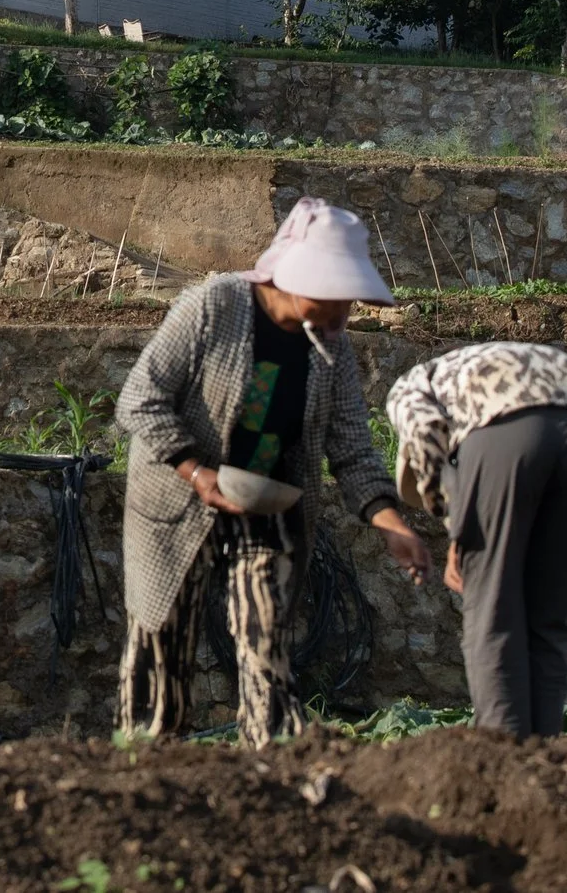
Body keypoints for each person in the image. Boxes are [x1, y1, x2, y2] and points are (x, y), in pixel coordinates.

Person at [114, 197, 433, 747]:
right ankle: (147, 763)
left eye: (346, 301)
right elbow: (140, 398)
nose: (340, 313)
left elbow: (352, 444)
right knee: (161, 640)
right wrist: (196, 472)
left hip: (269, 503)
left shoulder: (331, 348)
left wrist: (391, 523)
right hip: (176, 500)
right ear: (289, 278)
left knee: (267, 641)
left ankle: (272, 764)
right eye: (329, 297)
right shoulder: (213, 307)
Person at [384, 341, 567, 737]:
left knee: (493, 609)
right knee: (548, 617)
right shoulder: (499, 360)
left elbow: (426, 436)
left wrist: (455, 529)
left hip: (507, 435)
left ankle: (502, 757)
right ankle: (541, 754)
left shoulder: (411, 384)